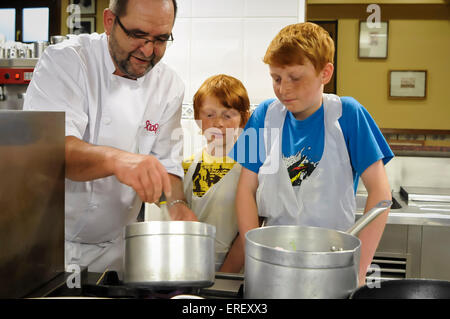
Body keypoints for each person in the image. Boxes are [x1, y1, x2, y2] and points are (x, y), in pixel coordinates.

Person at [23, 0, 197, 275]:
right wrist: (120, 161)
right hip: (45, 245)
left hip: (112, 252)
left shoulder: (169, 86)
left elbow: (167, 166)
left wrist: (176, 206)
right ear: (109, 21)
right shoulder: (67, 61)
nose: (149, 51)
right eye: (137, 35)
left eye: (161, 39)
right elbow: (53, 153)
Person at [231, 22, 394, 285]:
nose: (283, 89)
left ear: (325, 73)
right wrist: (257, 256)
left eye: (295, 78)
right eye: (276, 78)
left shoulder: (349, 115)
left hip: (332, 263)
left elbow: (380, 195)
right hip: (274, 261)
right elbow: (245, 191)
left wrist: (358, 269)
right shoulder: (262, 117)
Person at [182, 74, 250, 273]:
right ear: (197, 119)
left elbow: (249, 233)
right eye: (209, 115)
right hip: (189, 269)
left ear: (243, 119)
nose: (218, 123)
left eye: (228, 115)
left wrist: (224, 276)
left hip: (234, 274)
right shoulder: (187, 167)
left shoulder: (252, 170)